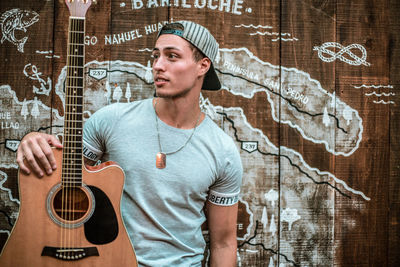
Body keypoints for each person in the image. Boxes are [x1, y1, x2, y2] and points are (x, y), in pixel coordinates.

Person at [16, 21, 243, 266]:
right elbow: (61, 178)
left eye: (172, 56)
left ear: (202, 66)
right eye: (155, 56)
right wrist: (33, 142)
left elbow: (224, 243)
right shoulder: (111, 121)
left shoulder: (223, 151)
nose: (157, 65)